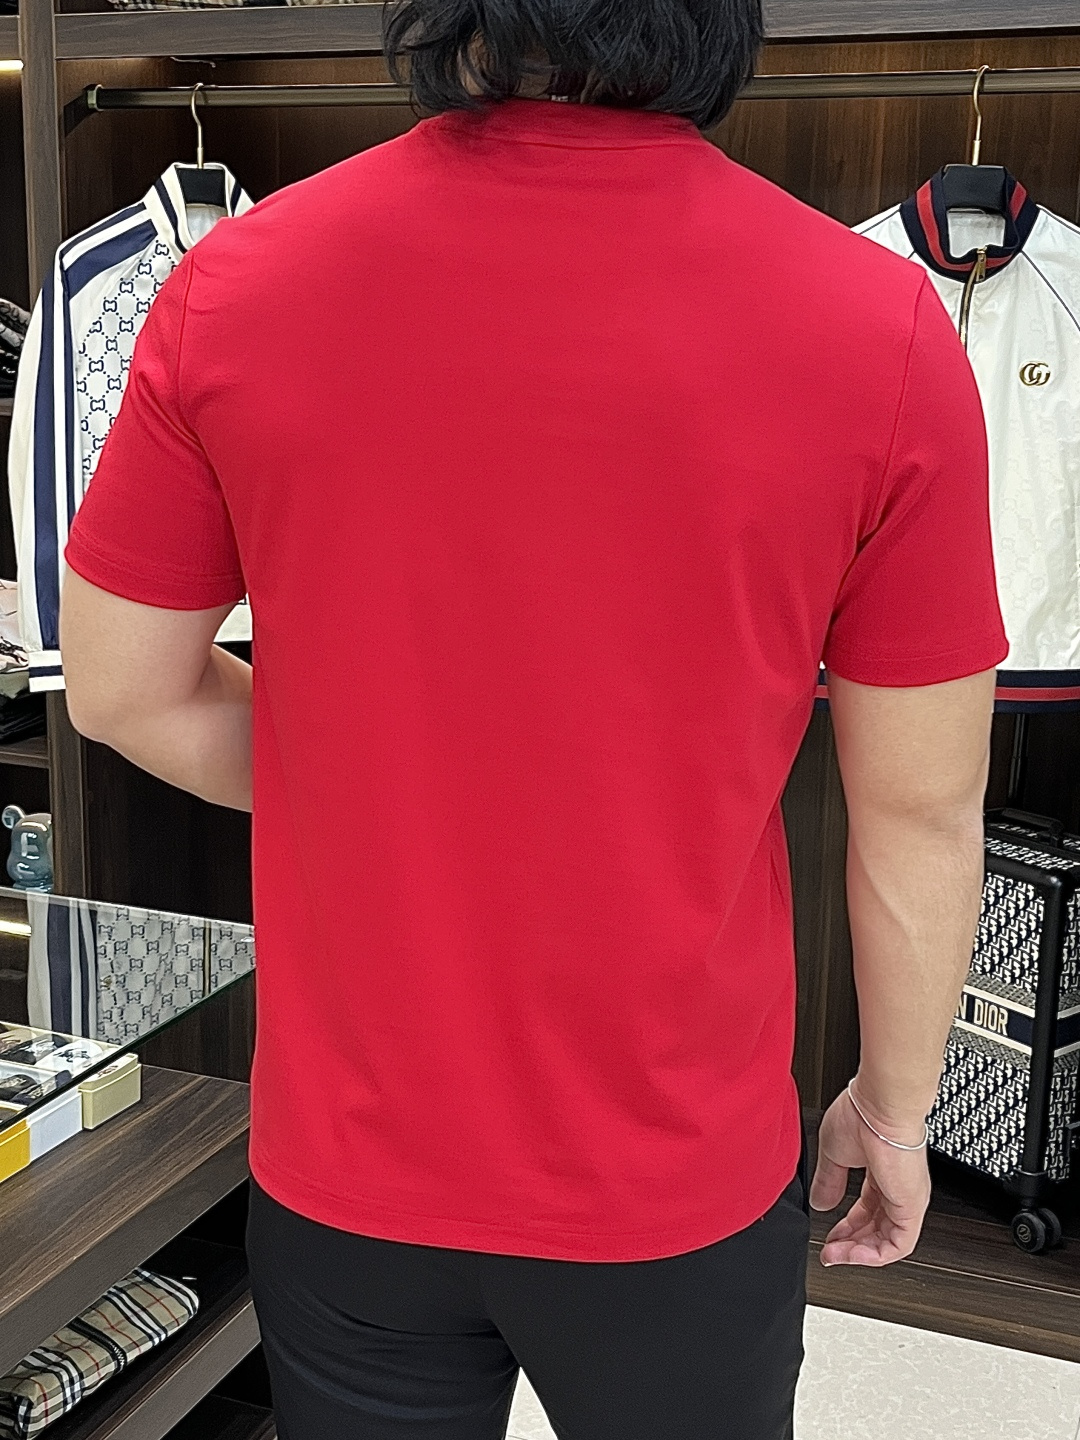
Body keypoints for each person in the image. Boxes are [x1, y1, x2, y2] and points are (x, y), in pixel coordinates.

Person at [57, 2, 1007, 1436]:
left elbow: (127, 689)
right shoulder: (878, 326)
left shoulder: (237, 283)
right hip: (676, 1171)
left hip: (353, 1158)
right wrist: (895, 1106)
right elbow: (920, 809)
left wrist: (375, 780)